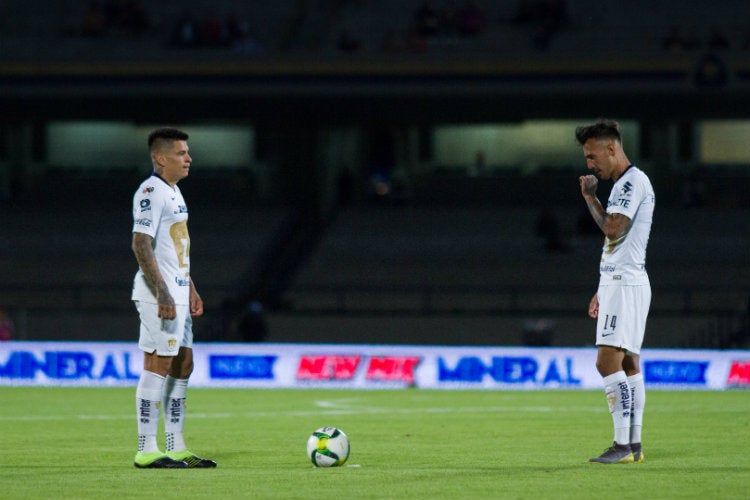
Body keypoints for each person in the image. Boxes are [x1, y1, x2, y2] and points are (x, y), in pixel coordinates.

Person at [131, 127, 216, 469]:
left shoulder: (175, 192)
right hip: (158, 295)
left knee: (183, 364)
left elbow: (173, 249)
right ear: (160, 158)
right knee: (158, 364)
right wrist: (163, 291)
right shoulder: (151, 190)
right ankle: (147, 449)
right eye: (181, 153)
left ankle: (176, 445)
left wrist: (190, 286)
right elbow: (140, 243)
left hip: (178, 291)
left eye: (187, 152)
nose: (189, 158)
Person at [575, 119, 655, 464]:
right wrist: (601, 286)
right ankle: (633, 444)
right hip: (623, 280)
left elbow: (612, 231)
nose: (590, 165)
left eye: (593, 157)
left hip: (624, 284)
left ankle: (621, 445)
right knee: (628, 362)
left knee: (606, 361)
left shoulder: (629, 183)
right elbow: (617, 247)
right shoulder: (628, 183)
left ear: (612, 148)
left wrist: (589, 196)